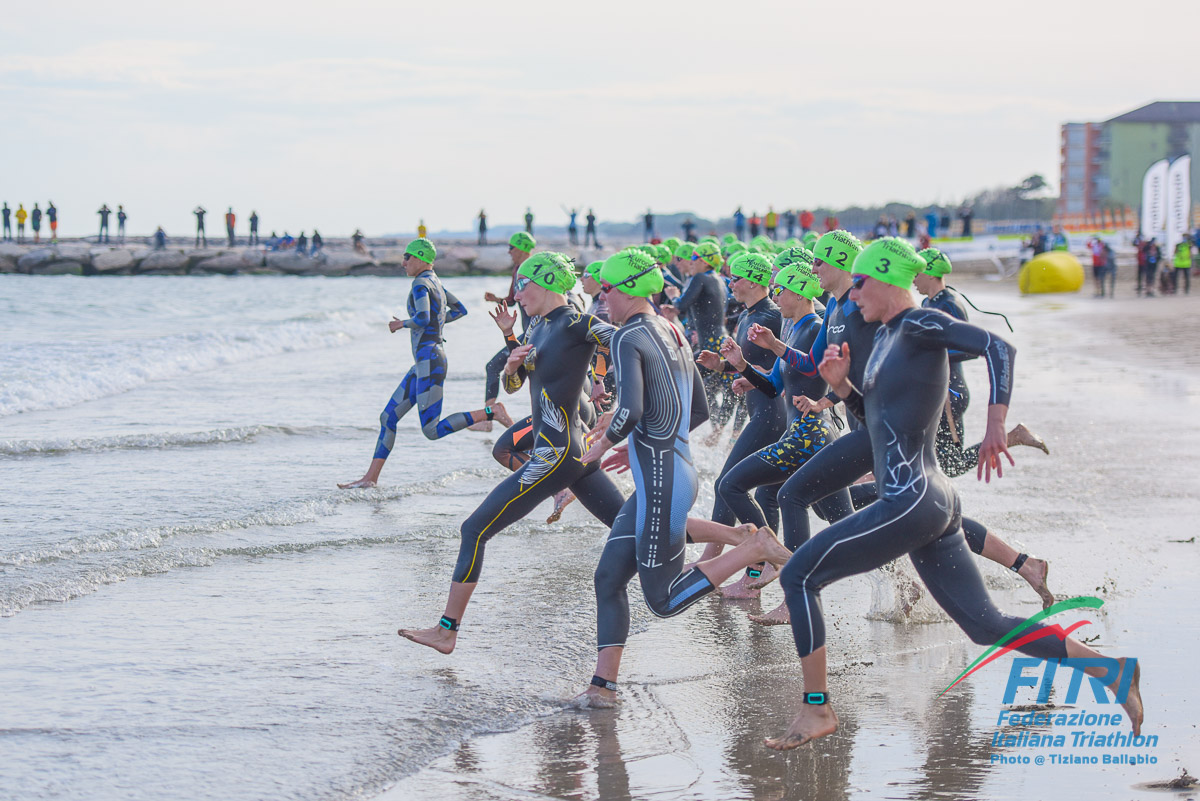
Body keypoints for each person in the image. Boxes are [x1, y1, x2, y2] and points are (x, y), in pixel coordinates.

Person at [765, 238, 1143, 751]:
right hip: (930, 501)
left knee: (798, 574)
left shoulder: (918, 323)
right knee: (985, 626)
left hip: (912, 497)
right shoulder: (889, 338)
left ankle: (817, 709)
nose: (852, 295)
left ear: (888, 280)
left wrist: (995, 426)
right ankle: (1110, 670)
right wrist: (846, 389)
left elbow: (999, 348)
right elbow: (879, 424)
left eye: (860, 282)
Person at [576, 250, 794, 707]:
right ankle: (602, 687)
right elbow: (696, 410)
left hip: (660, 480)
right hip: (675, 469)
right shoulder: (671, 329)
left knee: (664, 599)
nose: (603, 299)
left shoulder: (627, 335)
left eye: (607, 290)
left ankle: (753, 547)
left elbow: (633, 409)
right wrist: (645, 444)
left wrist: (600, 448)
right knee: (609, 577)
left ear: (629, 288)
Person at [398, 252, 627, 654]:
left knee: (473, 530)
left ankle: (447, 630)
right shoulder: (537, 326)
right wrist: (511, 360)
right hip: (570, 454)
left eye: (523, 285)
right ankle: (737, 541)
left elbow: (628, 342)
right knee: (631, 526)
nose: (516, 294)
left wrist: (615, 404)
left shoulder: (576, 321)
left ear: (547, 283)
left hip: (556, 454)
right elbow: (517, 385)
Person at [713, 250, 834, 622]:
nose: (775, 294)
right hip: (801, 433)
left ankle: (771, 556)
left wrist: (774, 347)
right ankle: (899, 575)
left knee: (735, 486)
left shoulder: (814, 325)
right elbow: (773, 386)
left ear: (799, 293)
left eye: (780, 288)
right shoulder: (790, 327)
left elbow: (812, 366)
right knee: (836, 511)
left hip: (810, 433)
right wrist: (741, 367)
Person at [338, 238, 508, 490]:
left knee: (431, 430)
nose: (403, 262)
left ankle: (491, 412)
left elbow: (422, 317)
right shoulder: (436, 283)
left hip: (429, 360)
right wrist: (436, 325)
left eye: (408, 257)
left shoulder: (420, 284)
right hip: (426, 362)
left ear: (420, 258)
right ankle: (369, 479)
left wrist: (401, 324)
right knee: (388, 417)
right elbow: (460, 310)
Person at [695, 253, 786, 597]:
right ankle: (745, 568)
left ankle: (751, 561)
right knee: (761, 492)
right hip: (760, 410)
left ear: (752, 280)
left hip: (772, 413)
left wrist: (742, 371)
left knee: (727, 484)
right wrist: (721, 367)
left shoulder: (770, 316)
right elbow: (752, 366)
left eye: (735, 278)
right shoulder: (751, 314)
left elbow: (782, 368)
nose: (730, 283)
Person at [914, 247, 1048, 479]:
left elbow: (968, 349)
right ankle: (1013, 437)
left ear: (931, 273)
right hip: (940, 391)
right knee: (941, 463)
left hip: (949, 394)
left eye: (917, 273)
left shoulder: (949, 304)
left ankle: (1013, 436)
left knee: (947, 464)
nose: (913, 279)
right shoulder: (929, 302)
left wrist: (929, 352)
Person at [666, 241, 735, 432]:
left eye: (695, 257)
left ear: (705, 261)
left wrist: (673, 296)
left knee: (680, 381)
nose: (691, 262)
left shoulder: (700, 278)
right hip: (721, 341)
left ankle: (673, 430)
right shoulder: (718, 278)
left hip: (710, 346)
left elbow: (682, 305)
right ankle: (718, 432)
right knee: (710, 390)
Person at [479, 232, 537, 431]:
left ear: (521, 248)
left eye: (511, 247)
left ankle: (491, 419)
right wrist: (497, 299)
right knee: (496, 368)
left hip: (534, 332)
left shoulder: (530, 270)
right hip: (528, 332)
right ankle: (490, 419)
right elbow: (513, 299)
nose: (509, 251)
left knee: (494, 367)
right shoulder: (518, 270)